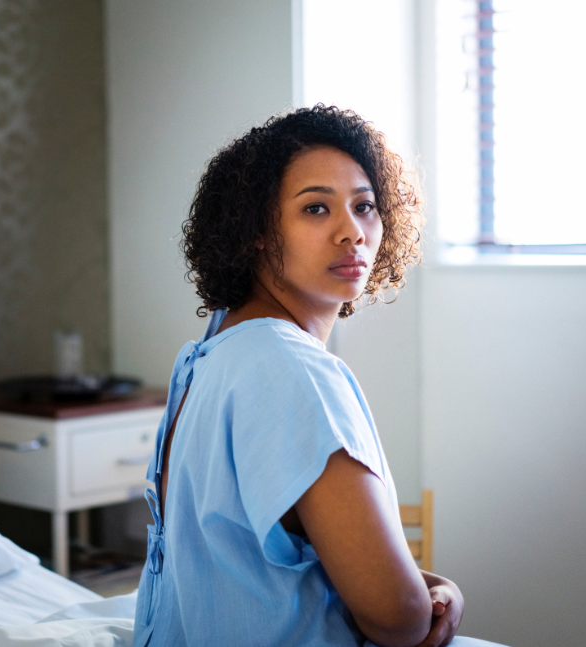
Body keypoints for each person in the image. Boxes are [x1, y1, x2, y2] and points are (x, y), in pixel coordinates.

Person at [133, 106, 505, 647]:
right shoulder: (293, 371)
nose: (351, 232)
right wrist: (439, 594)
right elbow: (397, 621)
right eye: (315, 208)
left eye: (364, 206)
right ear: (255, 230)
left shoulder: (208, 355)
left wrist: (414, 586)